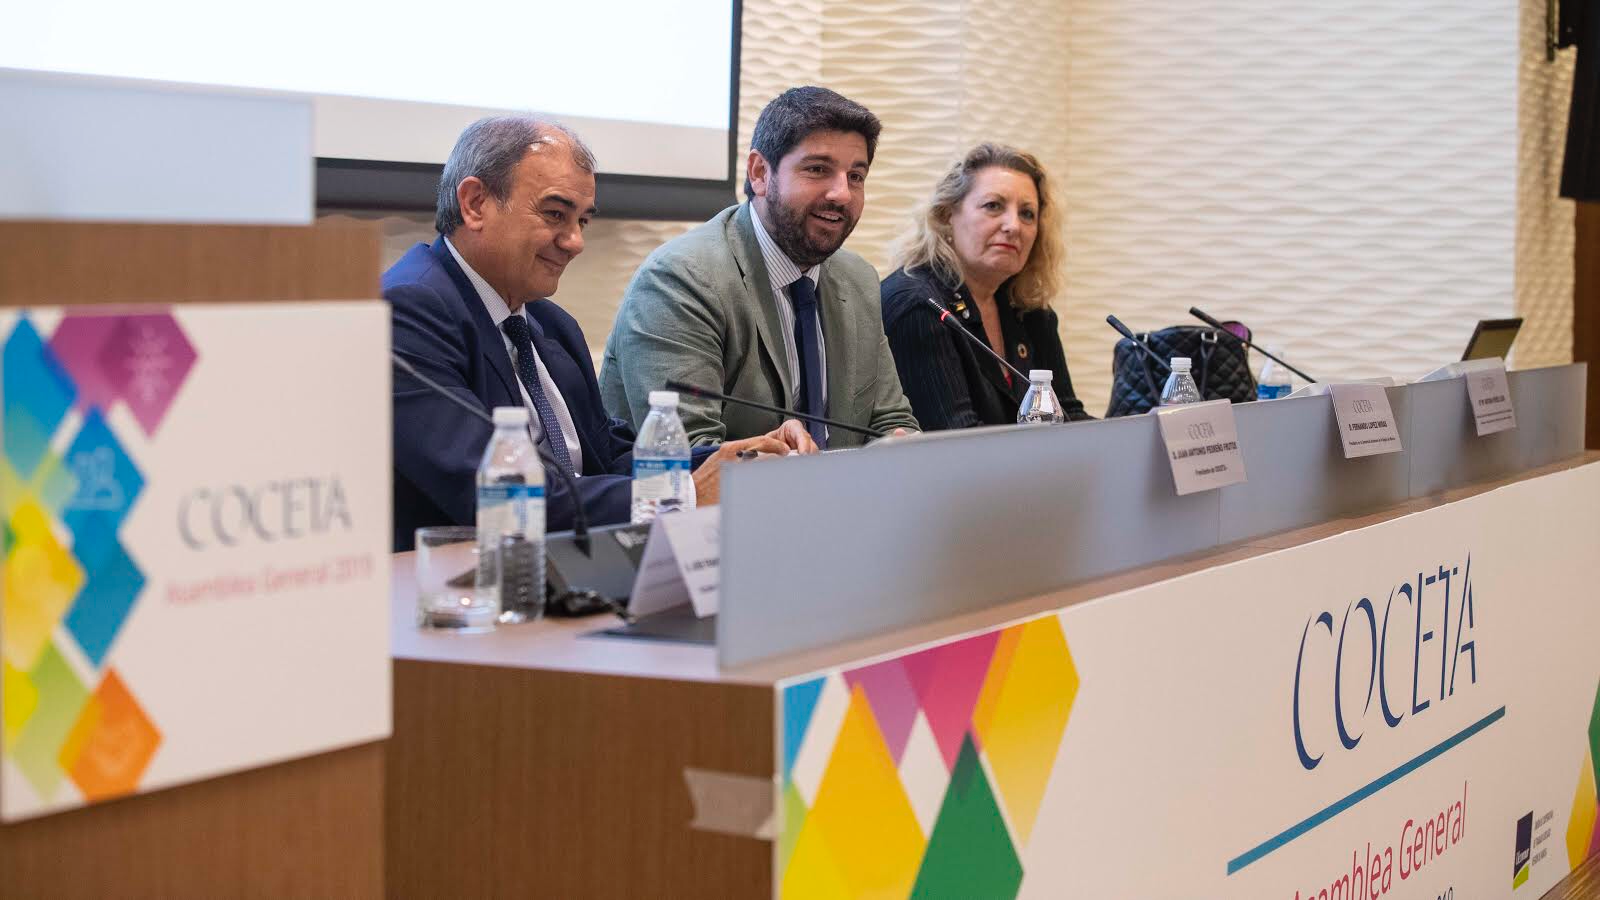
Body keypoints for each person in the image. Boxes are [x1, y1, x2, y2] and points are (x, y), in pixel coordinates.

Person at [386, 116, 814, 551]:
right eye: (555, 214)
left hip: (570, 570)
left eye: (583, 221)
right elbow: (496, 494)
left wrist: (743, 461)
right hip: (462, 585)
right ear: (476, 203)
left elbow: (606, 457)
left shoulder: (550, 325)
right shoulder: (409, 311)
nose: (574, 242)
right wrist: (683, 494)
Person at [599, 87, 918, 449]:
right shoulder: (681, 279)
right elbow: (690, 454)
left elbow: (891, 420)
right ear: (760, 173)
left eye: (856, 176)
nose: (842, 194)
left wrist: (904, 449)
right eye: (818, 169)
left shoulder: (857, 278)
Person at [879, 143, 1091, 428]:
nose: (1013, 225)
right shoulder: (917, 304)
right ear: (946, 216)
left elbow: (1069, 417)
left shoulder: (1028, 310)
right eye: (994, 206)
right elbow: (959, 442)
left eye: (1027, 213)